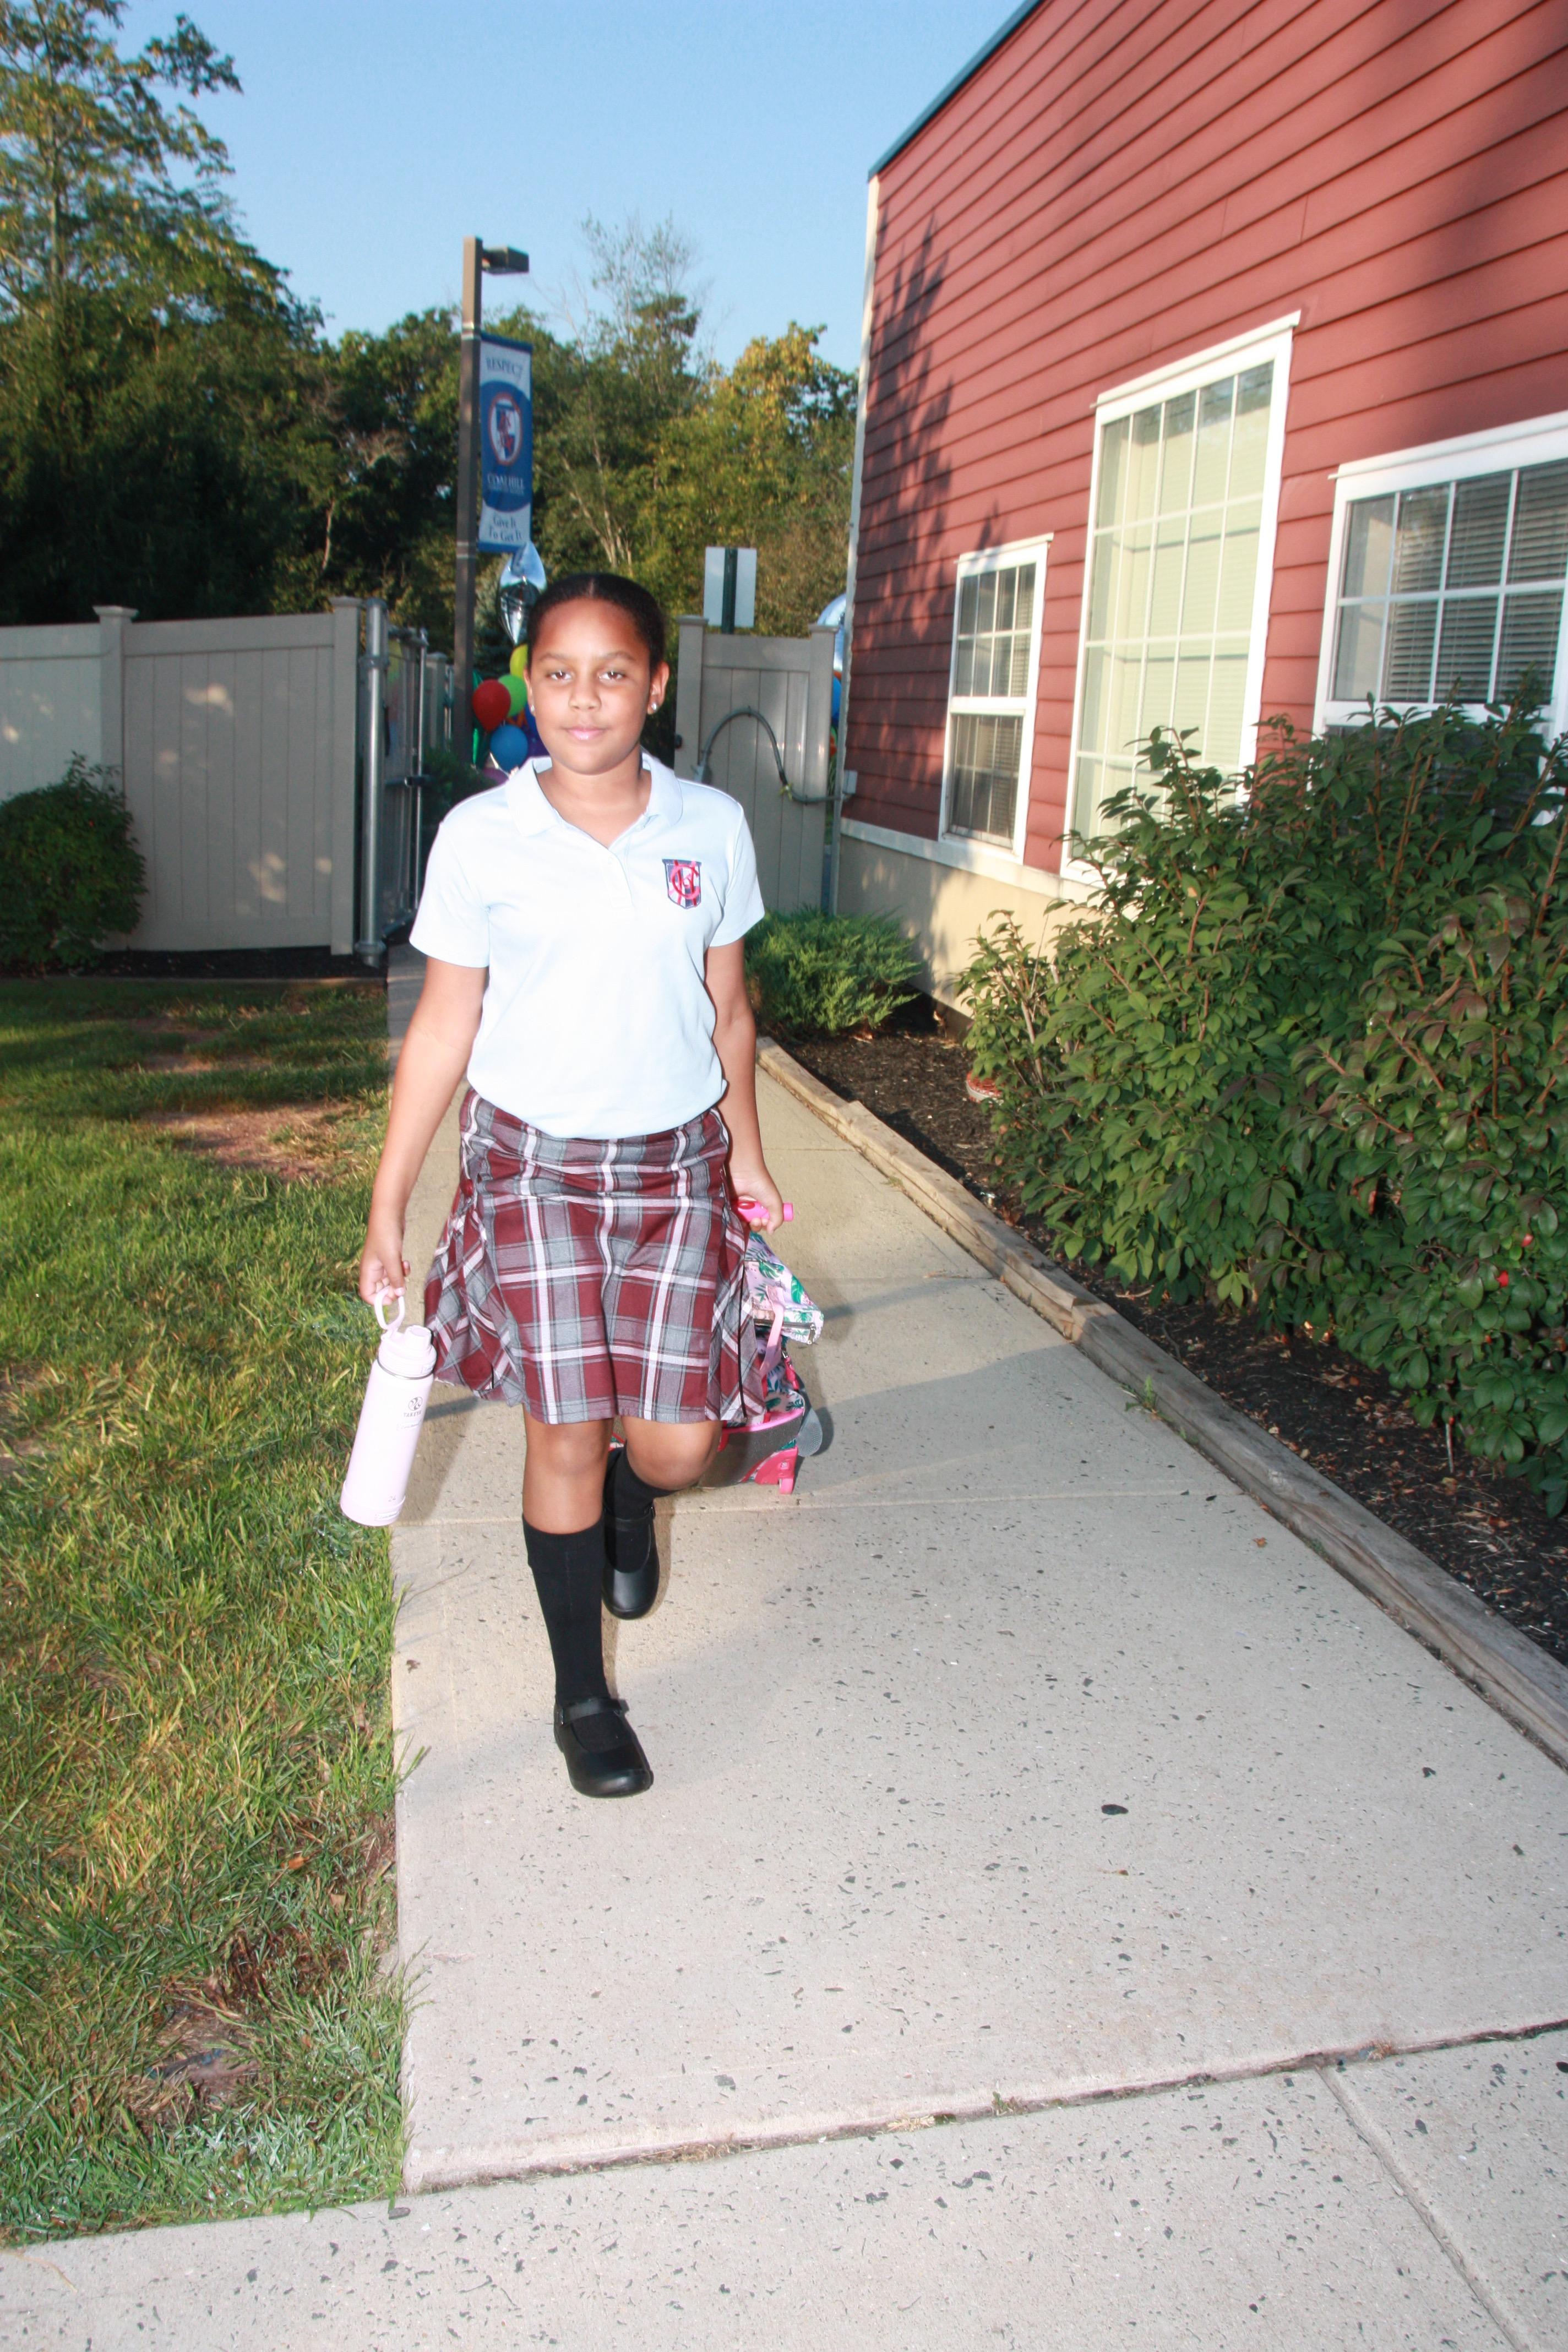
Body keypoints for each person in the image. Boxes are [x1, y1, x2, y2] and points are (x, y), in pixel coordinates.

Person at [358, 574, 783, 1799]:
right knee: (562, 1425)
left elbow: (728, 1010)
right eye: (558, 673)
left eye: (612, 674)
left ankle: (629, 1501)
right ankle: (583, 1700)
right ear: (527, 685)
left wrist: (748, 1154)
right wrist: (389, 1200)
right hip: (530, 1166)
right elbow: (444, 1024)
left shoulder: (710, 826)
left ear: (656, 687)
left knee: (679, 1446)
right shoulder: (481, 836)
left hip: (675, 1165)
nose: (583, 698)